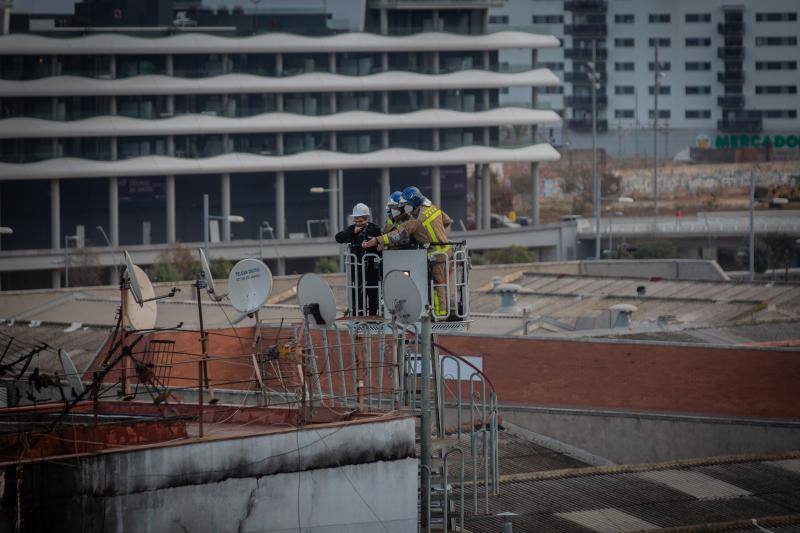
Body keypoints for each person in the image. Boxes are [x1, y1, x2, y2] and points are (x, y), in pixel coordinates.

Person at [362, 186, 453, 317]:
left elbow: (398, 234)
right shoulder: (433, 208)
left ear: (412, 204)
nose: (405, 207)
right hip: (445, 252)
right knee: (438, 285)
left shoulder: (415, 220)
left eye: (406, 205)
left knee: (437, 287)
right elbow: (447, 221)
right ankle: (438, 315)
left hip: (436, 255)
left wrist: (377, 240)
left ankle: (440, 317)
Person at [336, 203, 382, 316]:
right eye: (356, 221)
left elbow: (382, 241)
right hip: (356, 268)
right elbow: (339, 238)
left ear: (367, 218)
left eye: (360, 221)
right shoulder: (352, 229)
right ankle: (358, 315)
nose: (358, 223)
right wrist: (352, 232)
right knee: (357, 292)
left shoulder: (375, 229)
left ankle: (372, 316)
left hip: (372, 267)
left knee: (372, 291)